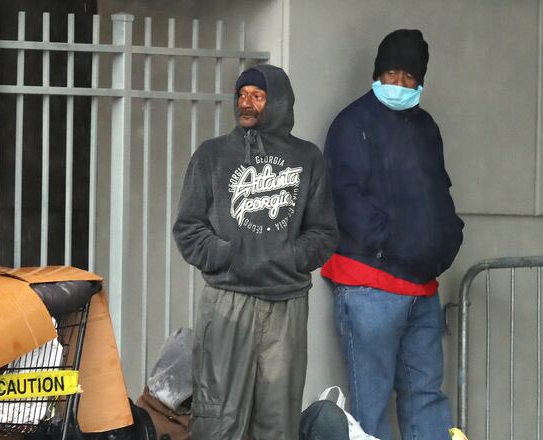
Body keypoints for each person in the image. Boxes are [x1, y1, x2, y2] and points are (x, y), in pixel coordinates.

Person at [173, 64, 339, 439]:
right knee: (218, 417)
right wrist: (227, 255)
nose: (246, 103)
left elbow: (324, 232)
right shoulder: (212, 155)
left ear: (278, 102)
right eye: (242, 95)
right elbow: (188, 227)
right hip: (227, 300)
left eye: (258, 96)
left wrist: (289, 258)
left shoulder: (307, 158)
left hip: (286, 302)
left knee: (277, 420)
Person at [322, 29, 464, 440]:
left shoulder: (426, 127)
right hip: (370, 285)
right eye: (391, 74)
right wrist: (399, 244)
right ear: (377, 74)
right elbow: (345, 199)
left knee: (426, 396)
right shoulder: (352, 123)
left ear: (421, 81)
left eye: (409, 77)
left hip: (422, 285)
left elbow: (439, 191)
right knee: (371, 405)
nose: (398, 84)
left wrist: (447, 240)